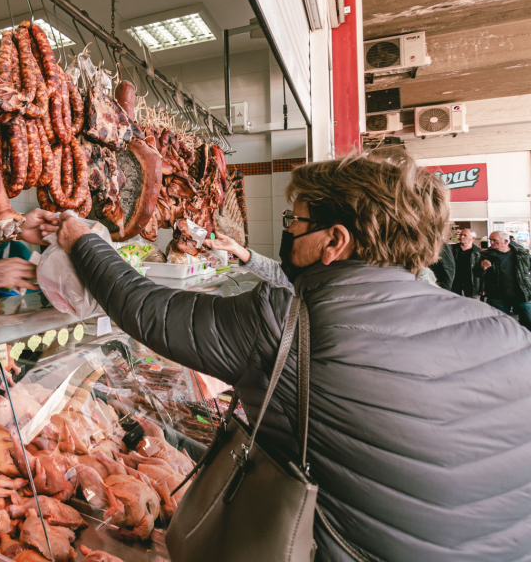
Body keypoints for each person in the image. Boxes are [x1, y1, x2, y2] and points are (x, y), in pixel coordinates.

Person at [56, 150, 531, 561]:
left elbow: (146, 310)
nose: (290, 233)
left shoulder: (289, 321)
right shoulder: (508, 332)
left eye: (296, 222)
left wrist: (83, 238)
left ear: (335, 241)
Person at [476, 231, 531, 327]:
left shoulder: (521, 253)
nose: (491, 243)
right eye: (490, 240)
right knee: (502, 324)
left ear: (506, 241)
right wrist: (482, 267)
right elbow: (476, 273)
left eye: (494, 240)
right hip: (498, 296)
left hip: (522, 294)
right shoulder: (486, 255)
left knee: (528, 321)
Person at [450, 228, 482, 298]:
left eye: (465, 235)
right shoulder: (452, 249)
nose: (461, 237)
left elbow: (480, 272)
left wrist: (482, 287)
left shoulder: (478, 252)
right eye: (461, 235)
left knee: (472, 303)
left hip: (471, 283)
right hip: (454, 282)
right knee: (454, 302)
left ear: (473, 238)